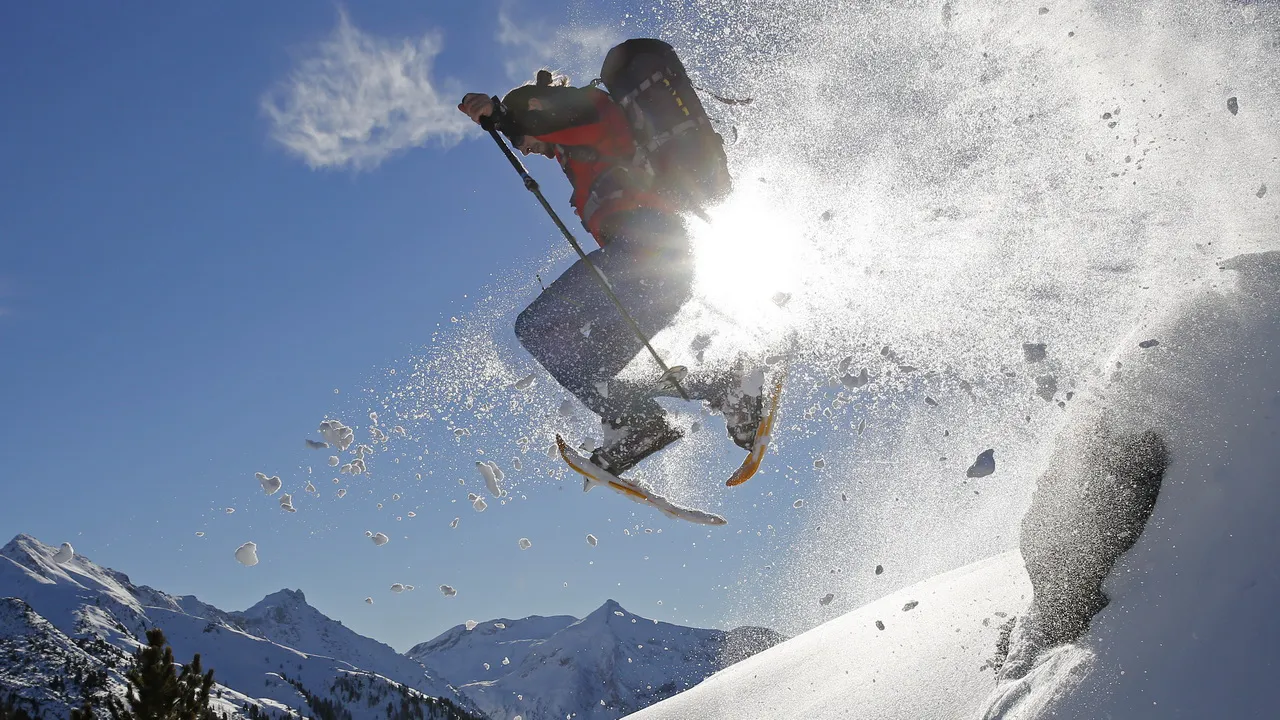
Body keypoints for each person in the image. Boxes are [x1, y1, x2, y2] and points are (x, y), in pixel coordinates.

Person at [458, 70, 762, 476]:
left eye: (520, 141)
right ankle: (726, 388)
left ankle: (639, 423)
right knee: (598, 368)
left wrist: (502, 116)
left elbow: (558, 119)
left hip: (646, 249)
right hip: (660, 267)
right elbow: (556, 134)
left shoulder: (589, 110)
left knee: (535, 328)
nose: (524, 152)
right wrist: (509, 121)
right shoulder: (578, 145)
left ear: (535, 109)